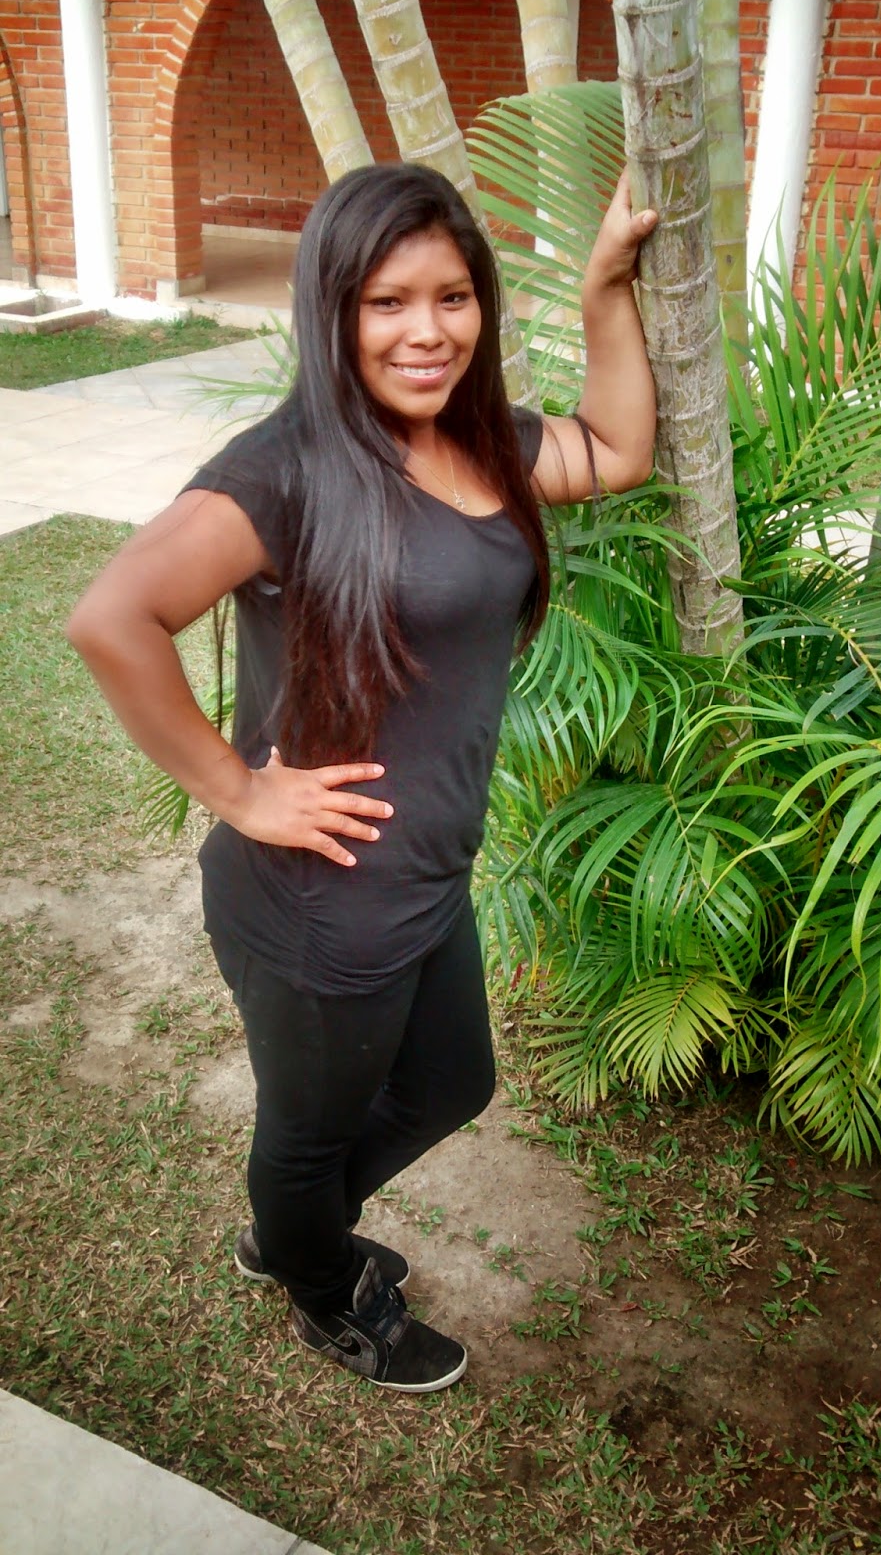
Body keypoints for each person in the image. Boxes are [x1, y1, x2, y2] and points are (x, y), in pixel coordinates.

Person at [67, 162, 656, 1394]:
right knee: (309, 1133)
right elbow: (112, 618)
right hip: (320, 906)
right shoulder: (284, 471)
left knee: (452, 1083)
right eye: (387, 302)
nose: (426, 331)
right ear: (331, 309)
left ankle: (294, 1236)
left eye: (451, 296)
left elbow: (615, 447)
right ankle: (323, 1288)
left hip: (424, 877)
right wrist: (241, 791)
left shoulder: (484, 444)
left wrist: (605, 287)